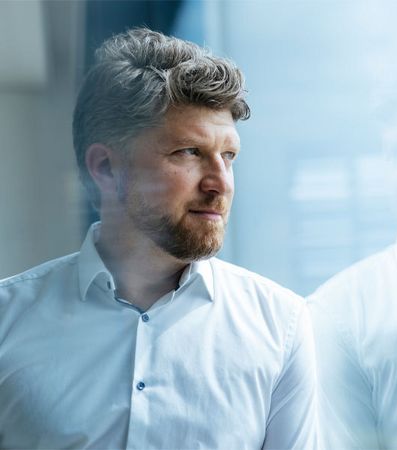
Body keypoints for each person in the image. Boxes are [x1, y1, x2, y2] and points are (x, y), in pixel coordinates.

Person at [0, 28, 317, 449]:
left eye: (228, 156)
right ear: (106, 168)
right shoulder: (7, 321)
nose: (221, 183)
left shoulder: (281, 325)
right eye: (189, 152)